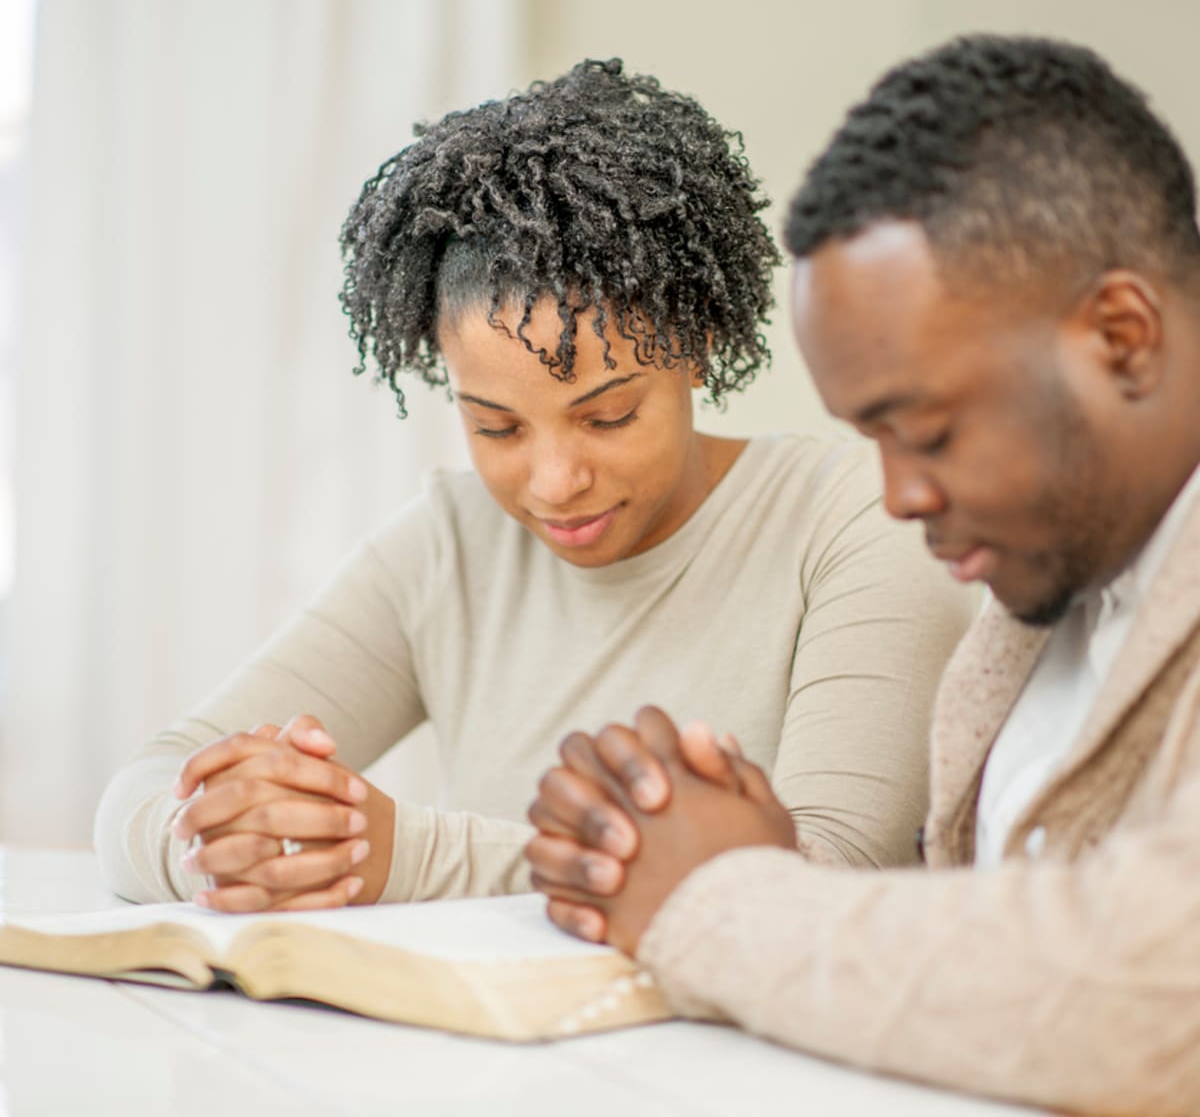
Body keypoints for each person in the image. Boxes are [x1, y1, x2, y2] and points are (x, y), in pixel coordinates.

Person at [93, 59, 973, 914]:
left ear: (697, 344)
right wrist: (213, 841)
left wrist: (410, 857)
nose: (555, 484)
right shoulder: (451, 544)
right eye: (497, 428)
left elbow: (827, 875)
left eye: (608, 416)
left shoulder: (856, 519)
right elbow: (148, 781)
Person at [526, 35, 1200, 1116]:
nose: (897, 495)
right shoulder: (1039, 602)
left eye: (927, 430)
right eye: (868, 439)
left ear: (1122, 336)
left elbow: (1156, 993)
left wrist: (720, 896)